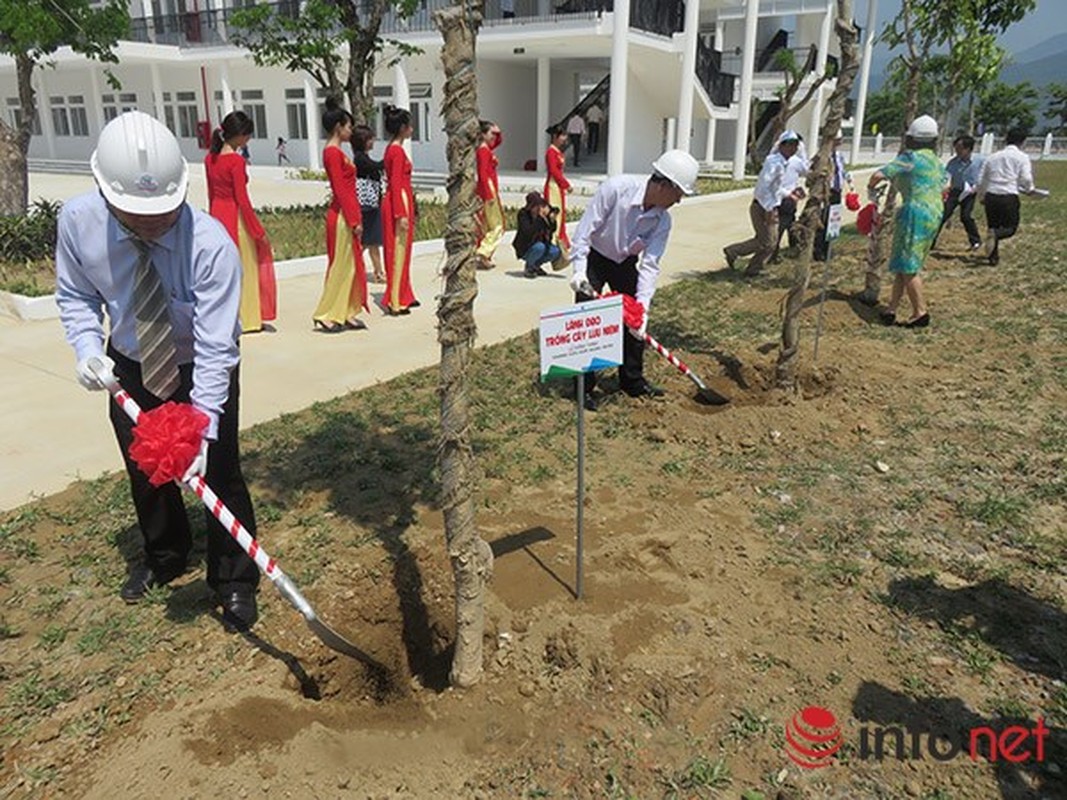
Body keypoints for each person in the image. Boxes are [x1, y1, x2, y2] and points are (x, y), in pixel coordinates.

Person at [55, 111, 260, 631]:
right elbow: (76, 295)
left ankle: (234, 578)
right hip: (126, 365)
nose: (151, 221)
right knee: (147, 471)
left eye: (162, 212)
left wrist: (202, 431)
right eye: (133, 212)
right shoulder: (78, 224)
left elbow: (217, 348)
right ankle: (166, 555)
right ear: (103, 192)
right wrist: (85, 349)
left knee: (219, 472)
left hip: (198, 368)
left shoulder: (211, 245)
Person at [569, 149, 699, 410]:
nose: (679, 200)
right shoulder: (616, 189)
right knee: (587, 322)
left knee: (634, 323)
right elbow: (584, 234)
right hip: (594, 258)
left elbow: (650, 266)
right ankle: (583, 387)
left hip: (624, 264)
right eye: (679, 194)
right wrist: (579, 271)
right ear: (665, 186)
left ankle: (632, 381)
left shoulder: (662, 220)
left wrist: (643, 309)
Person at [867, 114, 946, 328]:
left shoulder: (910, 158)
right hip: (934, 212)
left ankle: (920, 312)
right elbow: (946, 185)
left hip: (914, 213)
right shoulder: (935, 160)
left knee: (909, 266)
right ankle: (891, 309)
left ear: (911, 139)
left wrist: (871, 191)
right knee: (904, 262)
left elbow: (879, 175)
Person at [205, 110, 277, 334]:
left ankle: (227, 316)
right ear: (239, 135)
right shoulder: (235, 161)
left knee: (224, 270)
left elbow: (211, 193)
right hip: (235, 217)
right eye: (247, 135)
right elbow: (242, 199)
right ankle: (247, 319)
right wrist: (257, 230)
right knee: (245, 267)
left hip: (218, 214)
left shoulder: (210, 158)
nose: (248, 139)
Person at [311, 99, 368, 333]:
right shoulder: (332, 153)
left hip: (347, 212)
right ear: (338, 127)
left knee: (350, 264)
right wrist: (354, 220)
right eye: (348, 126)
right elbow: (340, 189)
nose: (350, 131)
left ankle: (345, 310)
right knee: (340, 265)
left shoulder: (338, 151)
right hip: (342, 215)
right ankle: (325, 312)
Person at [723, 130, 804, 277]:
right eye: (791, 145)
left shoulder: (785, 163)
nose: (794, 149)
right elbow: (763, 188)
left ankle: (743, 260)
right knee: (768, 242)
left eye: (796, 146)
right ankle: (741, 258)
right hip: (761, 207)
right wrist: (768, 209)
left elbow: (777, 188)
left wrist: (790, 194)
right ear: (782, 146)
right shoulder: (773, 163)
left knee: (767, 241)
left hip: (769, 206)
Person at [382, 104, 420, 315]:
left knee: (404, 251)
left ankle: (405, 293)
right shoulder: (396, 151)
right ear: (402, 127)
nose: (412, 129)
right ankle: (395, 299)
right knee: (398, 251)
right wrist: (400, 214)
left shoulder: (394, 148)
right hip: (399, 200)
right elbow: (396, 183)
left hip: (401, 198)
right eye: (410, 125)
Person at [976, 127, 1034, 266]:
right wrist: (1030, 189)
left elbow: (981, 180)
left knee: (993, 225)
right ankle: (996, 235)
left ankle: (993, 258)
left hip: (992, 195)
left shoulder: (992, 157)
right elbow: (1026, 178)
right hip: (1008, 195)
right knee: (1010, 228)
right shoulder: (1022, 157)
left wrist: (981, 196)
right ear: (1023, 142)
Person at [933, 135, 984, 252]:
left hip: (970, 192)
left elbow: (985, 175)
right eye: (956, 148)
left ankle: (975, 241)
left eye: (960, 148)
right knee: (943, 215)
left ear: (968, 149)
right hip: (955, 191)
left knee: (966, 216)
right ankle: (931, 241)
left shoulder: (980, 161)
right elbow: (946, 177)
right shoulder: (953, 163)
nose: (957, 151)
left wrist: (978, 187)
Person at [813, 131, 854, 262]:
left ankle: (828, 248)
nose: (839, 142)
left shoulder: (839, 155)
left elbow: (842, 170)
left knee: (833, 220)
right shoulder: (823, 157)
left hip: (837, 191)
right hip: (826, 191)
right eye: (837, 140)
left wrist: (848, 179)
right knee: (823, 220)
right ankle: (818, 250)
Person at [352, 124, 386, 283]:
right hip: (367, 205)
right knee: (367, 241)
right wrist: (388, 160)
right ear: (363, 141)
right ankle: (354, 268)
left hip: (371, 205)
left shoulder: (362, 156)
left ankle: (378, 271)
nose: (373, 141)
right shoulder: (359, 158)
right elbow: (375, 166)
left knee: (371, 241)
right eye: (370, 138)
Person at [773, 135, 809, 262]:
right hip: (787, 198)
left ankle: (792, 248)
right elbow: (807, 170)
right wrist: (803, 152)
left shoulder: (773, 158)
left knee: (787, 223)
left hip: (777, 197)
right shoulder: (795, 161)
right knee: (783, 225)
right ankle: (774, 253)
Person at [475, 120, 505, 270]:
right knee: (498, 226)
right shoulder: (483, 151)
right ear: (482, 134)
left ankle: (484, 257)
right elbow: (482, 174)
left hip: (489, 189)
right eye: (491, 133)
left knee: (486, 226)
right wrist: (488, 195)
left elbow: (498, 141)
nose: (495, 136)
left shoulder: (487, 148)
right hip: (488, 191)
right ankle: (483, 252)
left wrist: (497, 131)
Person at [513, 192, 563, 278]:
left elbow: (552, 229)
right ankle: (529, 266)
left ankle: (535, 266)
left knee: (555, 251)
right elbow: (528, 231)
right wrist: (539, 219)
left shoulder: (544, 215)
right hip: (526, 247)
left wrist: (551, 219)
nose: (538, 208)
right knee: (539, 247)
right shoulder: (523, 215)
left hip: (542, 245)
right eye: (536, 206)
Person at [543, 123, 572, 265]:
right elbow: (554, 171)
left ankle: (560, 240)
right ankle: (554, 242)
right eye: (562, 135)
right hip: (553, 186)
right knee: (555, 215)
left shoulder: (558, 152)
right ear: (555, 137)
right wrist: (566, 185)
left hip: (558, 187)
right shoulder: (551, 152)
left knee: (560, 215)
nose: (564, 138)